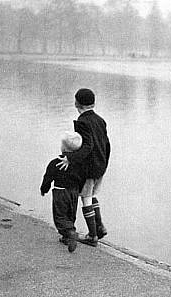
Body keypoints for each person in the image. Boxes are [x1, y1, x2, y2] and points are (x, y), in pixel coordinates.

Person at [56, 88, 111, 247]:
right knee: (92, 195)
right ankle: (99, 227)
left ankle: (92, 236)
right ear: (93, 103)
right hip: (100, 166)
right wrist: (104, 163)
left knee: (86, 198)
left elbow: (87, 147)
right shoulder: (100, 120)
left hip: (89, 168)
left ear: (76, 103)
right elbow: (107, 145)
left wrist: (70, 158)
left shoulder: (82, 123)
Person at [40, 131, 84, 253]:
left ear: (63, 147)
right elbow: (82, 178)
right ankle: (67, 236)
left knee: (60, 216)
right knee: (70, 214)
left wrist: (44, 189)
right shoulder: (79, 164)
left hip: (60, 192)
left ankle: (70, 233)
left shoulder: (55, 163)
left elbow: (48, 177)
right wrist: (79, 190)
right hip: (74, 192)